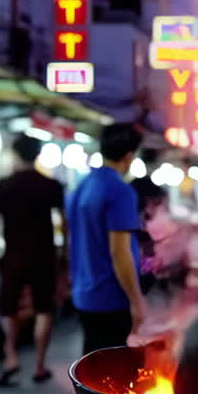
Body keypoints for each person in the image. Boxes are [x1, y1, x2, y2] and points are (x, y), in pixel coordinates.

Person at [0, 133, 65, 386]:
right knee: (44, 309)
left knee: (8, 309)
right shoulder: (51, 185)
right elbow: (64, 224)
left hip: (13, 256)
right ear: (37, 155)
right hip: (44, 256)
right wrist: (64, 251)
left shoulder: (2, 185)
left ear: (15, 154)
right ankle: (39, 366)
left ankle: (11, 357)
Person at [67, 123, 147, 358]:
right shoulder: (120, 191)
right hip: (111, 297)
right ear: (129, 155)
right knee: (112, 369)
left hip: (83, 294)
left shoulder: (81, 187)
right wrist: (136, 300)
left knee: (91, 362)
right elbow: (119, 252)